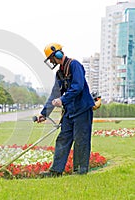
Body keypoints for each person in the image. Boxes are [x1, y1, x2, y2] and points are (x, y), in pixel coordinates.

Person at [37, 43, 95, 177]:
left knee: (81, 140)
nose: (51, 61)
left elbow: (78, 86)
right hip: (70, 112)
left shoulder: (75, 65)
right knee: (62, 139)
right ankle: (55, 171)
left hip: (82, 109)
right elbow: (54, 94)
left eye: (51, 58)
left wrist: (62, 100)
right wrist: (44, 113)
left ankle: (80, 171)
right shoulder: (59, 73)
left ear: (57, 54)